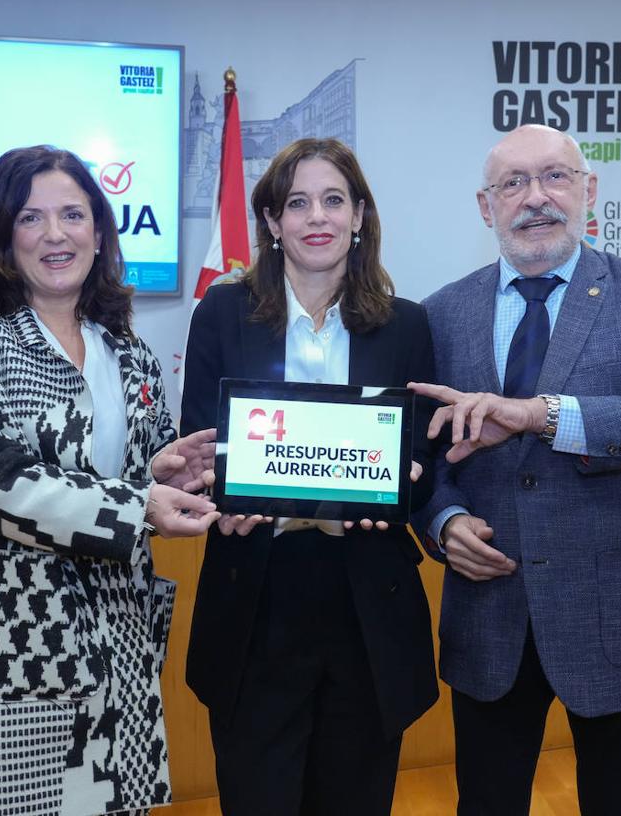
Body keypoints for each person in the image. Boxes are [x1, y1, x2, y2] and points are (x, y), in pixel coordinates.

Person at [409, 123, 621, 815]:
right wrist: (443, 518)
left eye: (555, 176)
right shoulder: (437, 316)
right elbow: (418, 457)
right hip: (491, 618)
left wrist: (541, 415)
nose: (536, 198)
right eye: (512, 183)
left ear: (589, 191)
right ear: (484, 205)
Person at [0, 144, 220, 816]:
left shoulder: (129, 349)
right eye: (31, 218)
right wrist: (139, 500)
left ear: (99, 231)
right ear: (3, 235)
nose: (56, 235)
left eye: (73, 215)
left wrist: (160, 470)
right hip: (11, 635)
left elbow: (131, 473)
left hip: (117, 630)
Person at [180, 137, 439, 815]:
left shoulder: (407, 327)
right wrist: (216, 491)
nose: (316, 217)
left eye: (333, 200)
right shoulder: (222, 315)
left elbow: (425, 467)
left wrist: (407, 483)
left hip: (366, 601)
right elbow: (198, 448)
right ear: (272, 222)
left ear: (359, 216)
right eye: (297, 203)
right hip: (257, 596)